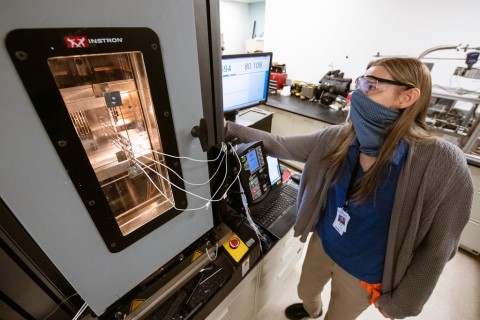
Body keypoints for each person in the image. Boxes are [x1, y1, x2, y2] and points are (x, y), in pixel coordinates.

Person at [224, 57, 473, 320]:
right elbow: (281, 145)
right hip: (324, 242)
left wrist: (404, 303)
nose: (357, 94)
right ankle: (313, 309)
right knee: (305, 290)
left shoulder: (442, 163)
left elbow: (439, 246)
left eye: (372, 86)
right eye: (361, 82)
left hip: (365, 272)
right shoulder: (340, 137)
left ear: (407, 97)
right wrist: (227, 129)